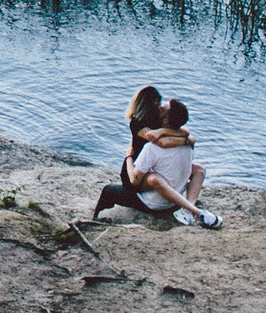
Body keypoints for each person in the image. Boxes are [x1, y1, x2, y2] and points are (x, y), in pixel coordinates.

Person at [94, 97, 221, 228]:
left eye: (163, 108)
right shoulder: (187, 142)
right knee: (198, 169)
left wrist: (129, 158)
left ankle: (96, 218)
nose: (159, 108)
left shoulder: (152, 148)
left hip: (154, 204)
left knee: (108, 190)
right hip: (176, 200)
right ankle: (187, 208)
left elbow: (135, 180)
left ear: (165, 120)